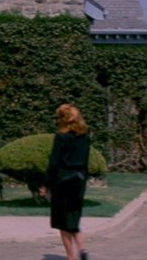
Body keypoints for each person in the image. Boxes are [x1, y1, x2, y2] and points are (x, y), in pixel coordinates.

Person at [39, 104, 91, 260]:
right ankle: (82, 248)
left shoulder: (61, 137)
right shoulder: (85, 137)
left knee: (62, 220)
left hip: (62, 179)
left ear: (62, 119)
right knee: (73, 216)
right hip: (79, 179)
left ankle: (71, 257)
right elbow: (86, 161)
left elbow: (54, 162)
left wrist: (45, 184)